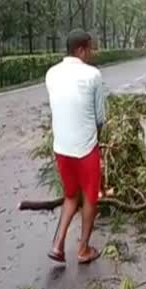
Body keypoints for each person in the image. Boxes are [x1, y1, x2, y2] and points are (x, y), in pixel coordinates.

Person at [45, 29, 106, 265]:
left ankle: (57, 245)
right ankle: (83, 249)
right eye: (89, 49)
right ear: (81, 49)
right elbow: (100, 117)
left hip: (61, 148)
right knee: (90, 197)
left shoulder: (51, 74)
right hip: (85, 149)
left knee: (71, 195)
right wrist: (96, 140)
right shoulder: (93, 75)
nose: (91, 53)